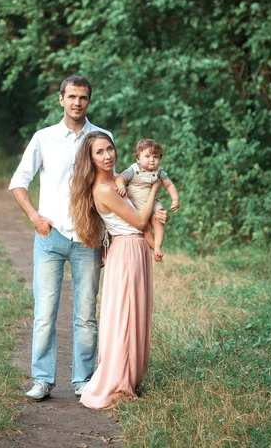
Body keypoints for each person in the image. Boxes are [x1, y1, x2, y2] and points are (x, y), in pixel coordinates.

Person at [8, 75, 112, 401]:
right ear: (61, 99)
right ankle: (42, 380)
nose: (77, 102)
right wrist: (35, 218)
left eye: (83, 97)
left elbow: (109, 190)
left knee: (86, 316)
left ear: (89, 101)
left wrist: (110, 237)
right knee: (44, 313)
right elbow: (19, 181)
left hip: (88, 238)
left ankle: (83, 381)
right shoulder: (44, 138)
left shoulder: (102, 138)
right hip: (50, 237)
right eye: (71, 96)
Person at [69, 131, 167, 409]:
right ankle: (116, 380)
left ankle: (131, 376)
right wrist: (155, 192)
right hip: (126, 252)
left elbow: (144, 221)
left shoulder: (119, 181)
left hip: (136, 251)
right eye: (99, 152)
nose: (107, 155)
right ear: (90, 159)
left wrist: (158, 219)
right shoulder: (103, 189)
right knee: (124, 318)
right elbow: (137, 220)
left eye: (109, 149)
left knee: (136, 314)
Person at [115, 138, 179, 262]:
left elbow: (169, 185)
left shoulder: (159, 172)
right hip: (136, 204)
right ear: (138, 158)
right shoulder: (133, 170)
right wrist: (122, 186)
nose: (152, 160)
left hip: (153, 202)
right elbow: (120, 178)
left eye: (155, 157)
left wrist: (175, 199)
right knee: (146, 229)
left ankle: (158, 246)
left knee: (158, 220)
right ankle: (155, 249)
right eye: (147, 156)